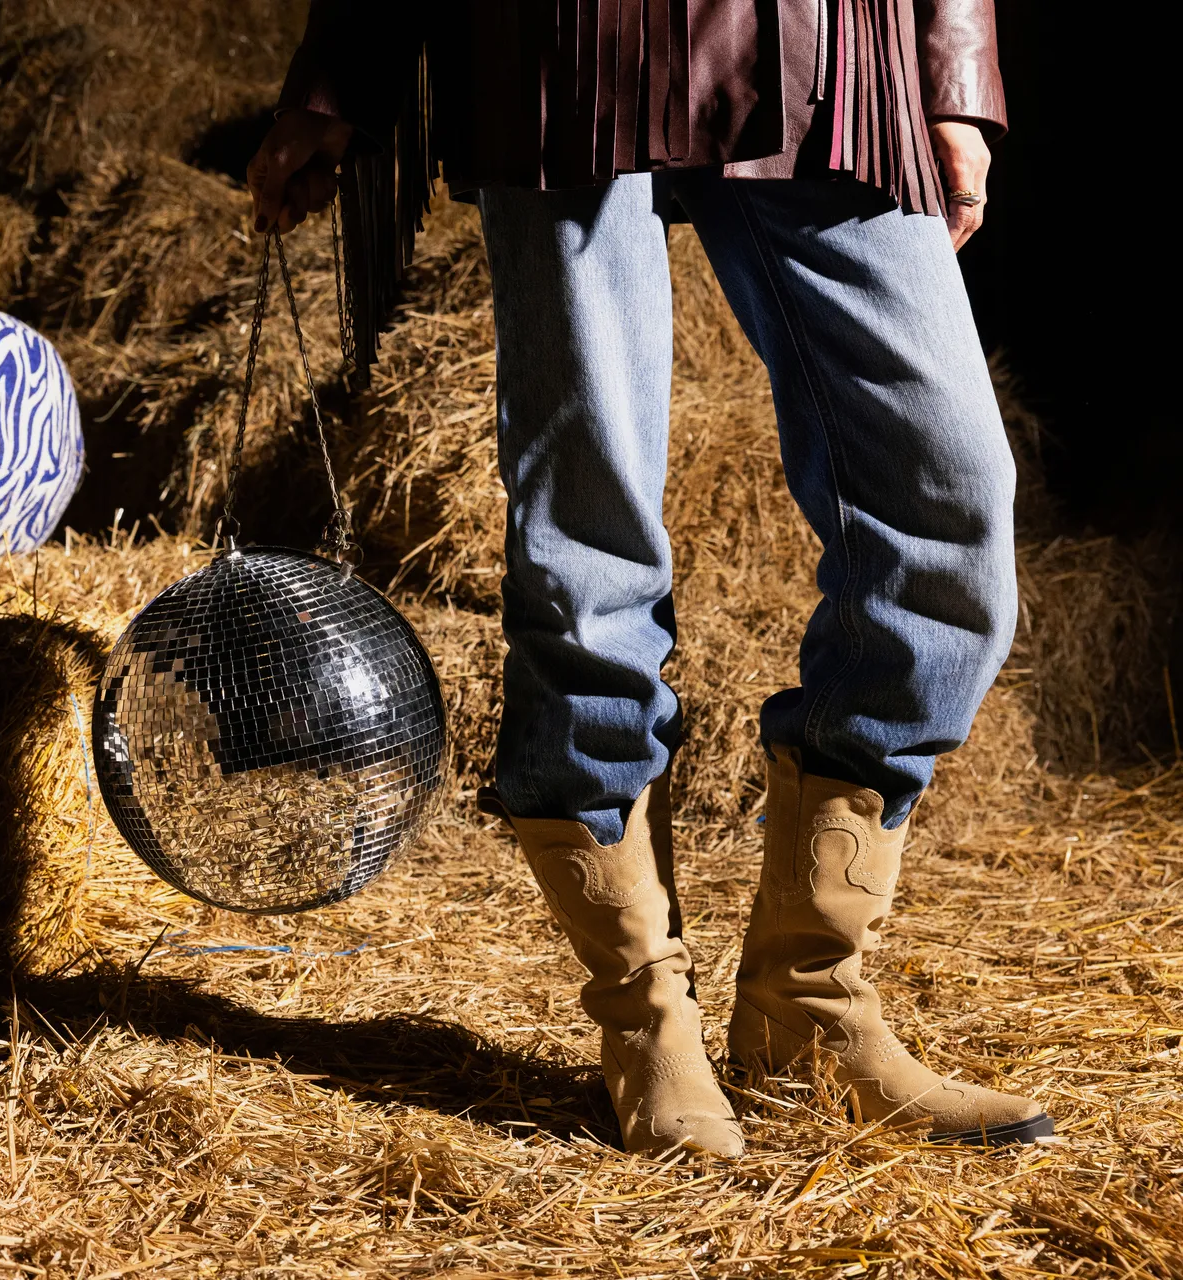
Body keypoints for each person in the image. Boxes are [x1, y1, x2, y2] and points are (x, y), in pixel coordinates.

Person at [248, 0, 1051, 1158]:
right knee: (587, 545)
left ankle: (807, 1005)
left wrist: (957, 75)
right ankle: (643, 1012)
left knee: (950, 507)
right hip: (567, 45)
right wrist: (339, 72)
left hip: (833, 47)